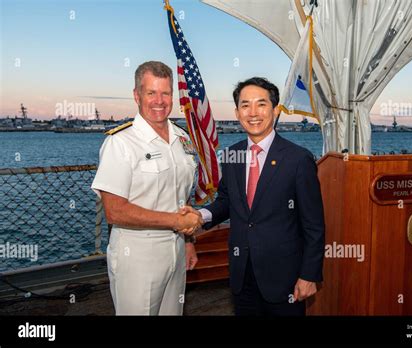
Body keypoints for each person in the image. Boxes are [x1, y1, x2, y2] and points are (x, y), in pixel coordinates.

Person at [182, 77, 325, 316]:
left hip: (285, 279)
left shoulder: (298, 159)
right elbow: (227, 201)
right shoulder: (231, 155)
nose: (253, 112)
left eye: (261, 104)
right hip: (241, 275)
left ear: (276, 110)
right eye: (245, 105)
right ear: (237, 113)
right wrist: (201, 214)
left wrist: (309, 275)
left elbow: (314, 225)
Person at [91, 61, 202, 315]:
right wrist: (176, 221)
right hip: (137, 254)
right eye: (151, 93)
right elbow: (115, 212)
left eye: (165, 93)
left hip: (175, 250)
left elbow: (179, 197)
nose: (159, 101)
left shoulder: (182, 139)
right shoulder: (121, 143)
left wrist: (188, 241)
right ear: (137, 95)